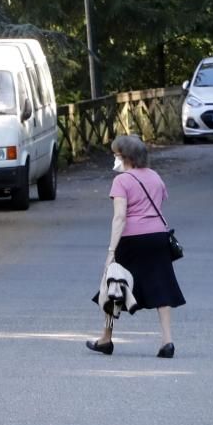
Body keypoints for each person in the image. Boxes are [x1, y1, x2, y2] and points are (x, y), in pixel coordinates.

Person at [86, 134, 186, 358]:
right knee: (162, 286)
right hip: (158, 238)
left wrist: (111, 251)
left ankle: (106, 337)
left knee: (114, 287)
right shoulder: (155, 176)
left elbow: (120, 217)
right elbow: (158, 204)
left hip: (132, 239)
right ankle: (167, 341)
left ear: (126, 157)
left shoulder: (121, 181)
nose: (115, 159)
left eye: (116, 155)